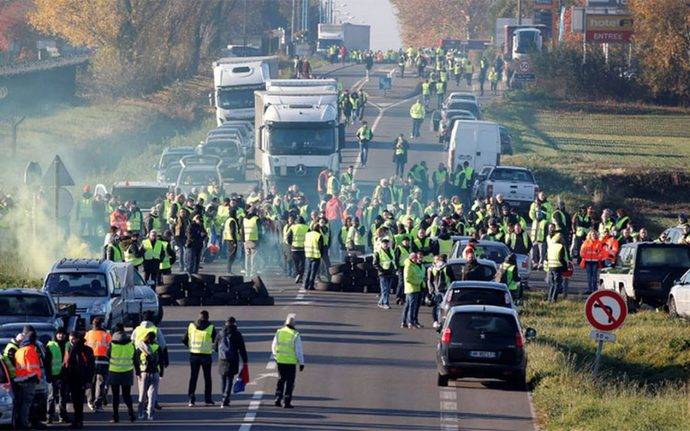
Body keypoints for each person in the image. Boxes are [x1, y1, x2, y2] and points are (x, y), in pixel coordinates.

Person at [183, 310, 217, 406]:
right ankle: (208, 399)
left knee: (193, 377)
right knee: (207, 378)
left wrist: (190, 346)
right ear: (207, 317)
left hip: (194, 355)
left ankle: (191, 399)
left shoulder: (191, 326)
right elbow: (216, 340)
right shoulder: (211, 327)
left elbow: (184, 339)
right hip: (206, 356)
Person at [271, 314, 305, 409]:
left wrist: (276, 356)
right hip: (290, 363)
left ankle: (277, 398)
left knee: (281, 380)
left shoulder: (279, 332)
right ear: (294, 325)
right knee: (290, 383)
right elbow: (298, 350)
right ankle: (287, 401)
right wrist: (301, 363)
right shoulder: (295, 334)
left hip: (280, 361)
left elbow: (273, 346)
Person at [214, 317, 248, 408]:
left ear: (226, 323)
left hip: (222, 360)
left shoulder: (220, 333)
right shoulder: (237, 334)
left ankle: (223, 398)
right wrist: (245, 361)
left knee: (223, 380)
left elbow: (215, 348)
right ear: (234, 324)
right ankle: (226, 399)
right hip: (232, 360)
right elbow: (242, 349)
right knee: (230, 380)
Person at [13, 330, 44, 430]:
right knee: (27, 403)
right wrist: (36, 377)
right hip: (29, 380)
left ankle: (20, 422)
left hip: (19, 380)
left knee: (22, 403)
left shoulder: (19, 350)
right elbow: (32, 367)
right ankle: (24, 424)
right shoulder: (31, 350)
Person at [64, 331, 95, 429]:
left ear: (77, 339)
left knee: (77, 401)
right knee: (78, 401)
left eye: (73, 339)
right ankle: (78, 421)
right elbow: (91, 367)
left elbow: (70, 364)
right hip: (80, 378)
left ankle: (78, 421)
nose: (71, 341)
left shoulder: (77, 349)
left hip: (77, 378)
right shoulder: (86, 349)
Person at [108, 323, 136, 423]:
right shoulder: (130, 343)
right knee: (127, 395)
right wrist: (138, 372)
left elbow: (107, 357)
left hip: (114, 373)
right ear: (123, 330)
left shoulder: (111, 344)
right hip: (127, 372)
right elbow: (135, 358)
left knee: (115, 397)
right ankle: (131, 415)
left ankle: (115, 417)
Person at [135, 331, 163, 421]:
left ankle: (140, 414)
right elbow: (161, 361)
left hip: (144, 373)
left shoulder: (140, 347)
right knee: (152, 395)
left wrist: (137, 372)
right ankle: (150, 415)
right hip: (155, 372)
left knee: (142, 395)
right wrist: (161, 372)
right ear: (154, 339)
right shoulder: (157, 347)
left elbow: (135, 360)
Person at [85, 317, 111, 412]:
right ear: (101, 324)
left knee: (90, 381)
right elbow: (110, 347)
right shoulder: (106, 334)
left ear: (93, 324)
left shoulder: (88, 334)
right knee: (100, 383)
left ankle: (90, 401)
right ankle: (98, 404)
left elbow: (84, 346)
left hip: (90, 361)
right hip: (103, 361)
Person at [46, 328, 68, 424]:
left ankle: (62, 416)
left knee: (63, 397)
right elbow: (47, 363)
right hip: (53, 375)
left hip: (64, 375)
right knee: (51, 397)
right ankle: (49, 417)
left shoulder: (67, 345)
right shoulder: (50, 345)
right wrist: (48, 375)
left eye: (62, 334)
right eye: (59, 334)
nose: (60, 336)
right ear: (56, 335)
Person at [545, 223, 568, 302]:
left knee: (552, 284)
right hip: (557, 267)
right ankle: (554, 300)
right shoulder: (560, 247)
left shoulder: (551, 247)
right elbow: (561, 258)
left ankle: (549, 299)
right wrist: (565, 267)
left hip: (550, 266)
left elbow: (546, 256)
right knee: (557, 285)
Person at [402, 252, 424, 328]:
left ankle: (404, 321)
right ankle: (410, 322)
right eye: (414, 258)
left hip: (415, 288)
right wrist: (417, 282)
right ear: (411, 258)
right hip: (412, 288)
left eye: (416, 258)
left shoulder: (414, 265)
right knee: (411, 306)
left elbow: (420, 275)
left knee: (408, 306)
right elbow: (407, 278)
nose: (416, 259)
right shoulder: (409, 266)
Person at [373, 238, 397, 310]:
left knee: (388, 289)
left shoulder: (391, 251)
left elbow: (393, 260)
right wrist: (381, 270)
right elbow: (375, 263)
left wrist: (395, 269)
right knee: (384, 289)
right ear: (382, 244)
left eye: (387, 243)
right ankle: (385, 303)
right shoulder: (378, 252)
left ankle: (380, 302)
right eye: (384, 243)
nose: (386, 245)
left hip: (390, 271)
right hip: (383, 273)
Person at [428, 254, 451, 328]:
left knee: (437, 306)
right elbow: (452, 278)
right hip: (446, 289)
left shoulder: (433, 268)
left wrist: (431, 290)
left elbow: (430, 280)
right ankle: (442, 322)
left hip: (436, 289)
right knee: (445, 306)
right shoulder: (447, 267)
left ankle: (436, 321)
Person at [287, 216, 309, 283]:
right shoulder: (307, 227)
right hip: (303, 247)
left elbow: (288, 237)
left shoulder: (293, 227)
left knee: (296, 263)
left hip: (294, 248)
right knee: (302, 263)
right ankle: (301, 276)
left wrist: (291, 243)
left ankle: (297, 274)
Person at [303, 225, 323, 291]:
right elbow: (320, 246)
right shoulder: (319, 235)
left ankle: (305, 285)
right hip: (316, 255)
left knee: (308, 270)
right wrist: (321, 254)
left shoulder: (307, 234)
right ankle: (311, 285)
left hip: (308, 254)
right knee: (313, 271)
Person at [243, 208, 261, 277]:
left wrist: (243, 240)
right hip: (254, 240)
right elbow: (259, 230)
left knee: (247, 257)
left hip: (246, 240)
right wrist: (260, 240)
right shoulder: (256, 219)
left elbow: (242, 230)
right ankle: (253, 273)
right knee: (254, 257)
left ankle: (247, 272)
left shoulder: (245, 219)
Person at [223, 208, 239, 273]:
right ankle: (229, 270)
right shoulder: (232, 220)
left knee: (230, 254)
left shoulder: (228, 220)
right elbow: (232, 231)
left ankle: (229, 269)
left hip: (228, 239)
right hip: (231, 240)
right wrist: (234, 241)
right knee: (232, 255)